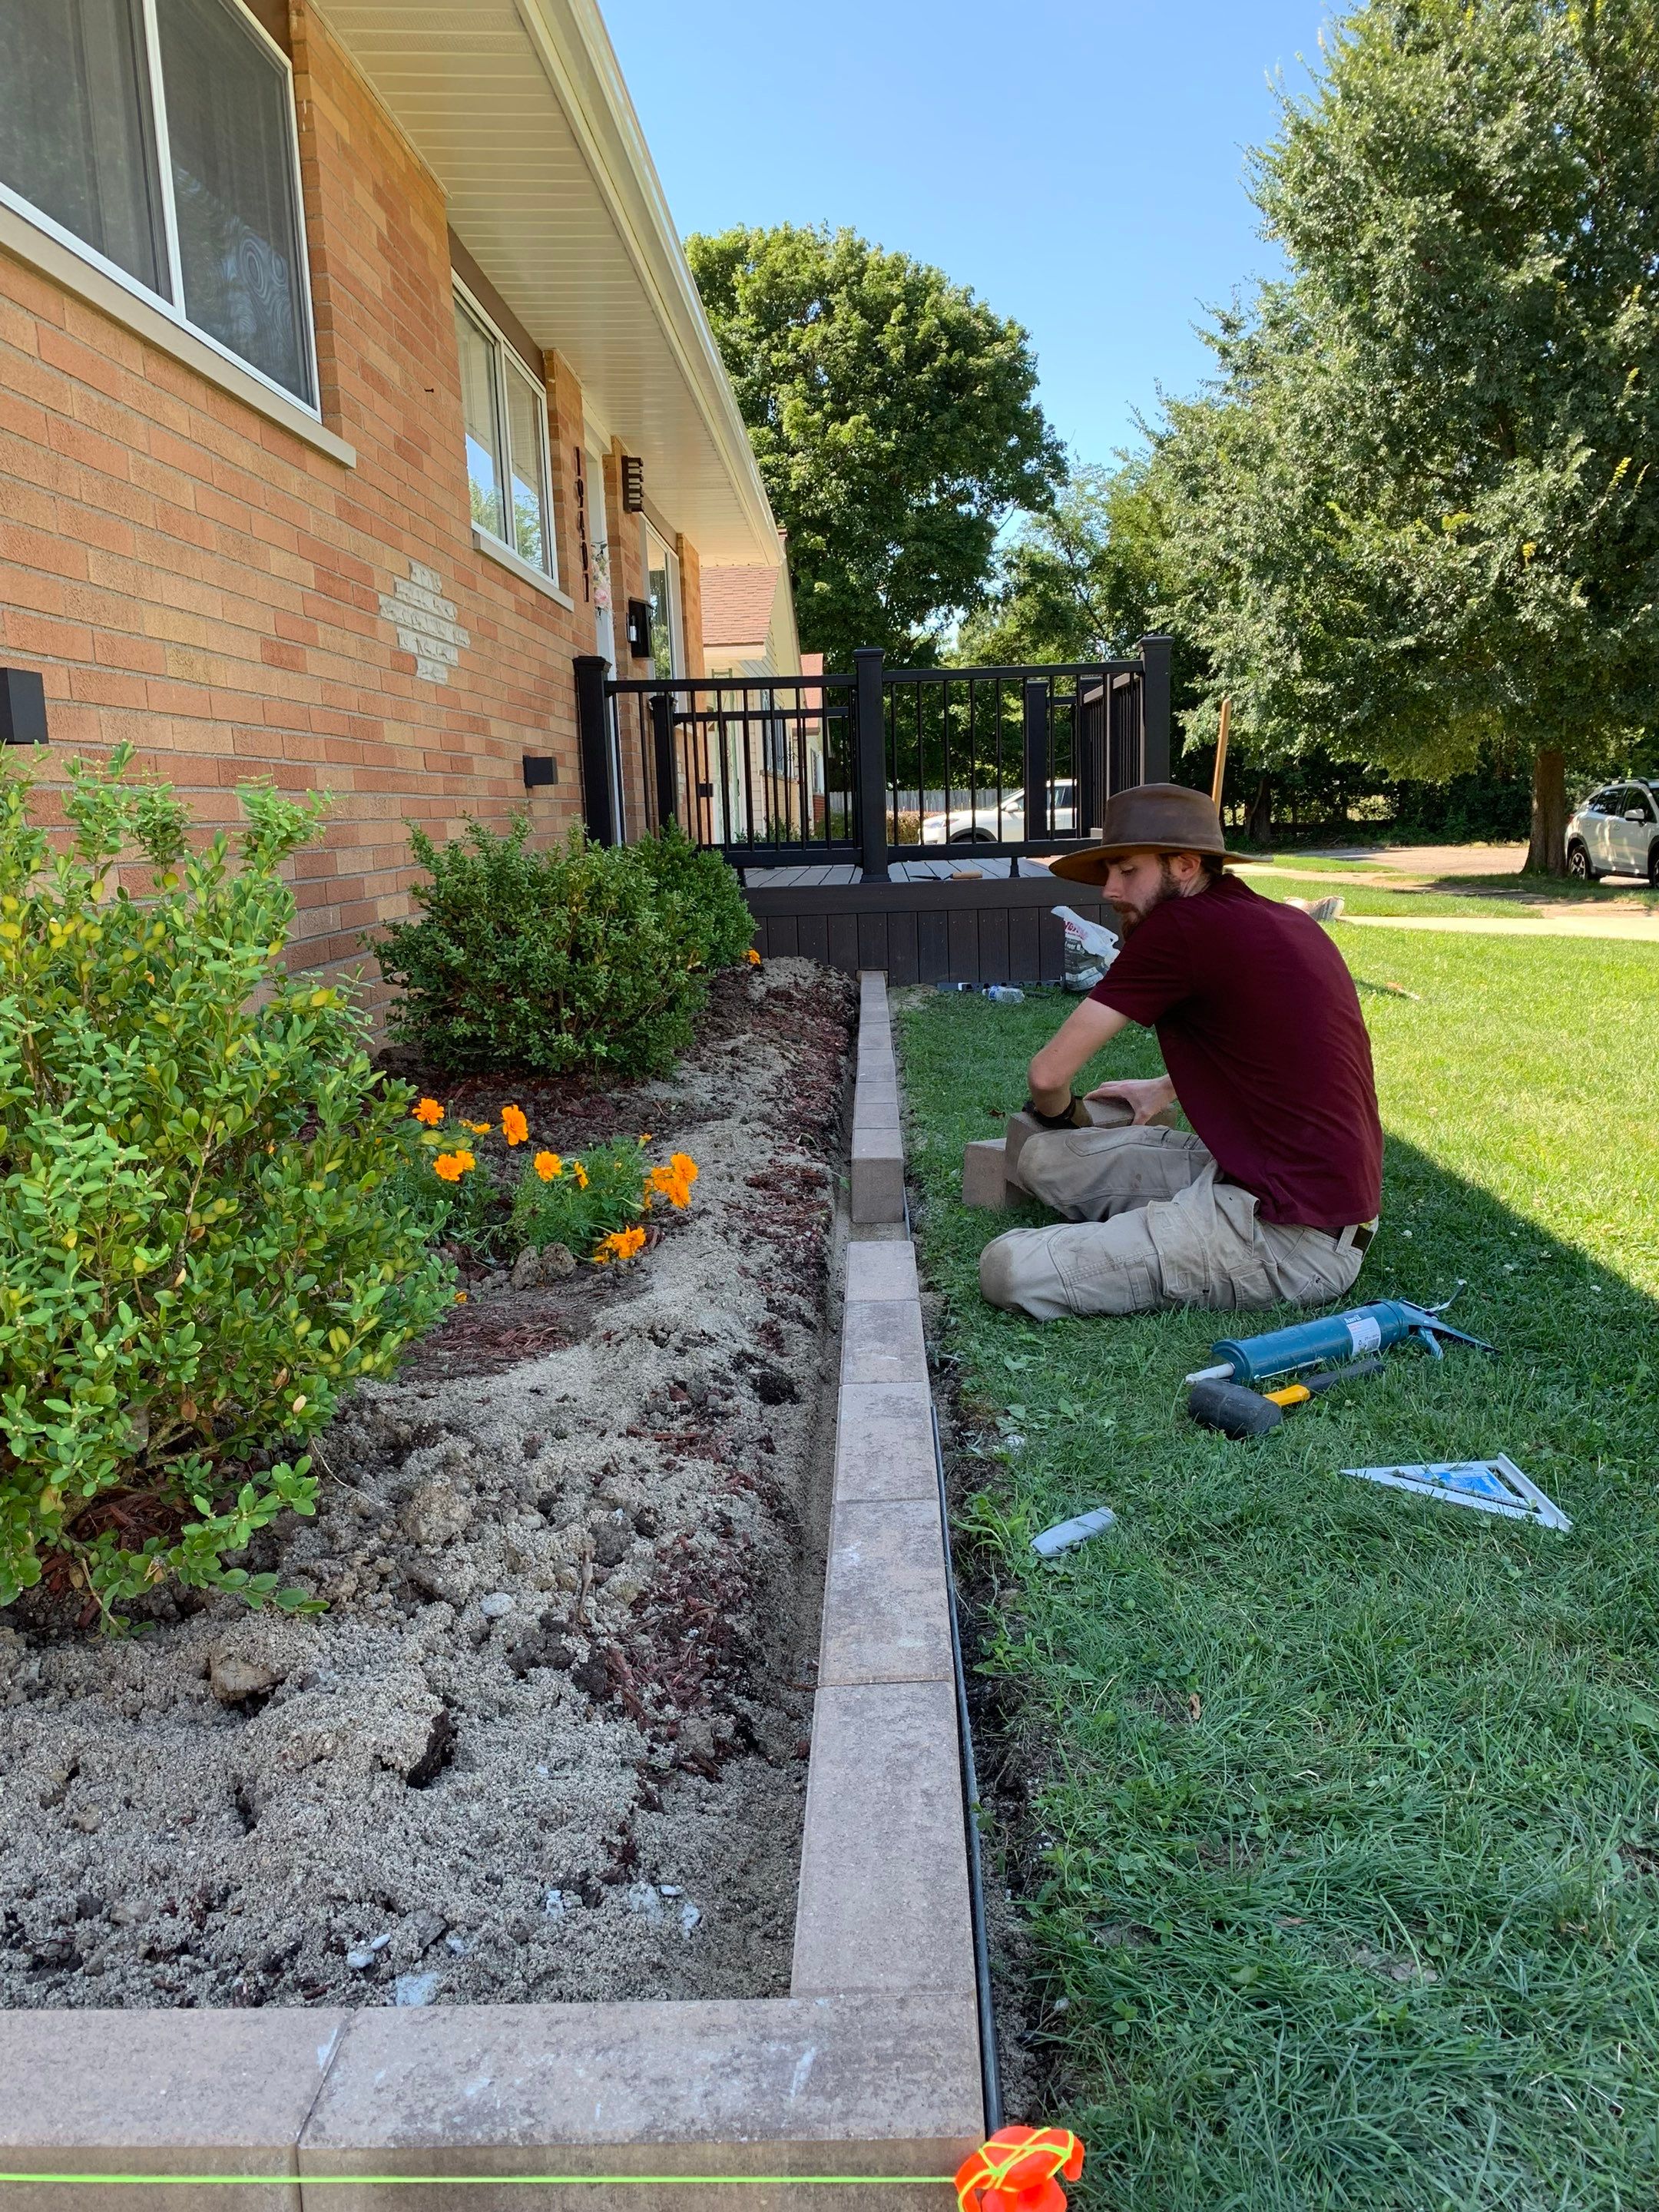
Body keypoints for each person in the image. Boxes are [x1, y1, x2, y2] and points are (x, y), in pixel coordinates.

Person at [979, 783, 1382, 1320]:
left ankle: (1154, 1238)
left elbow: (1048, 1077)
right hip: (1257, 1176)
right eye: (1108, 873)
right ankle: (1162, 1225)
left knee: (1006, 1267)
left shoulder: (1177, 928)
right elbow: (1284, 1044)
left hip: (1293, 1235)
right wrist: (1166, 1087)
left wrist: (1062, 1116)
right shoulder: (1275, 920)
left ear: (1185, 865)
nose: (1110, 890)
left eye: (1127, 872)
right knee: (1040, 1161)